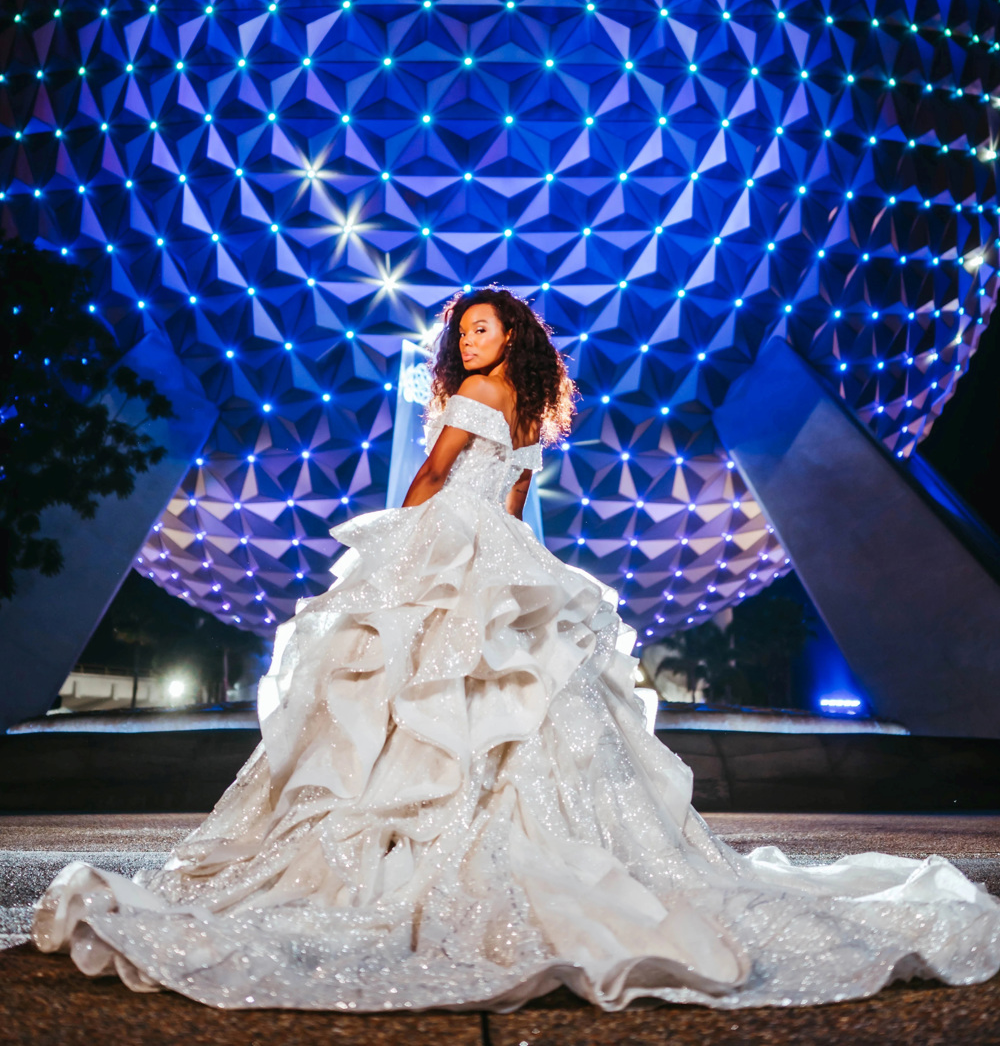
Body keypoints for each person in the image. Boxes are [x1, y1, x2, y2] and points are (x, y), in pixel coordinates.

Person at [33, 287, 1000, 1012]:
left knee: (413, 683)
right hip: (502, 549)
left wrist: (401, 538)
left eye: (483, 329)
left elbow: (432, 476)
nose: (469, 340)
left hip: (449, 538)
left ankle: (412, 825)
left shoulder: (470, 401)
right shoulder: (531, 411)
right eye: (463, 331)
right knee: (513, 690)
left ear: (513, 338)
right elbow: (515, 507)